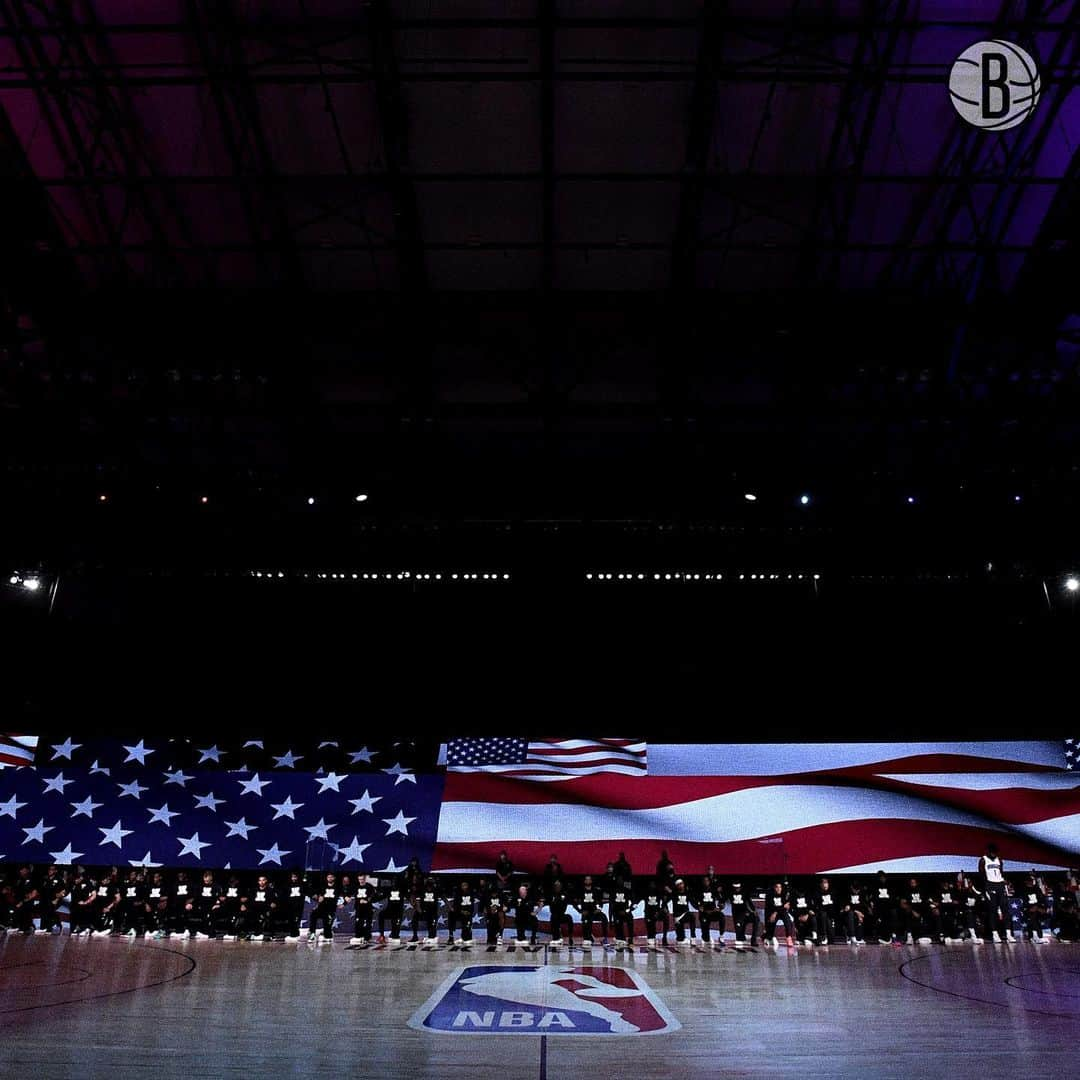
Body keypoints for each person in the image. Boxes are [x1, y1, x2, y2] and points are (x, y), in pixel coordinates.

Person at [979, 843, 1014, 942]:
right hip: (990, 885)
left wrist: (1004, 881)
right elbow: (981, 873)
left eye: (995, 852)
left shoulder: (999, 860)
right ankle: (995, 934)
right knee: (993, 910)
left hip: (1000, 884)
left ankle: (1008, 934)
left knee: (1005, 909)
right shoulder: (983, 859)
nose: (993, 854)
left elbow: (1001, 872)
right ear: (988, 851)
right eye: (992, 852)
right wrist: (987, 886)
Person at [899, 877, 941, 944]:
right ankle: (910, 936)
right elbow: (902, 904)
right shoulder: (907, 892)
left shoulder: (921, 891)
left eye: (914, 882)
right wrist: (912, 911)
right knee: (908, 913)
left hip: (922, 909)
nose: (913, 884)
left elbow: (927, 900)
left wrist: (933, 905)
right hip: (912, 909)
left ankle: (937, 936)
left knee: (936, 912)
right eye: (911, 883)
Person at [578, 874, 608, 947]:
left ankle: (605, 938)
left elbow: (600, 901)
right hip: (586, 912)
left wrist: (599, 909)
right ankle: (587, 938)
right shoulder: (581, 890)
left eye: (589, 879)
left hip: (594, 911)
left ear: (591, 881)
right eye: (586, 879)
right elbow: (576, 902)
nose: (588, 881)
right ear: (584, 881)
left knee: (604, 918)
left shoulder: (596, 890)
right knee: (586, 921)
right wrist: (581, 911)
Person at [870, 871, 899, 944]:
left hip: (889, 906)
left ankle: (893, 935)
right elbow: (874, 898)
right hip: (879, 907)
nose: (882, 879)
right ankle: (886, 937)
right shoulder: (875, 886)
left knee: (892, 915)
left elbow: (893, 898)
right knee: (882, 919)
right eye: (881, 878)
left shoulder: (890, 886)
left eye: (883, 877)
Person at [310, 872, 339, 943]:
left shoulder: (337, 887)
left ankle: (327, 933)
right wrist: (317, 899)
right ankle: (312, 933)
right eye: (328, 877)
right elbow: (318, 897)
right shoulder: (323, 887)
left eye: (331, 877)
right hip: (322, 908)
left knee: (327, 933)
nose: (330, 878)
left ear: (334, 878)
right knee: (313, 914)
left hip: (330, 909)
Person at [1019, 873, 1049, 942]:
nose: (1031, 882)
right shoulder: (1023, 890)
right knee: (1033, 915)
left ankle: (1037, 935)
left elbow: (1042, 900)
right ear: (1026, 881)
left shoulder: (1037, 889)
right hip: (1028, 909)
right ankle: (1035, 935)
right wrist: (1030, 908)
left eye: (1032, 880)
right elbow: (1023, 903)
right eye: (1029, 880)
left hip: (1038, 908)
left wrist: (1040, 907)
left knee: (1036, 914)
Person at [764, 880, 794, 946]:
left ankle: (789, 937)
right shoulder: (770, 895)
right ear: (774, 888)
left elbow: (787, 905)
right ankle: (768, 936)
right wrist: (778, 910)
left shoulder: (784, 894)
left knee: (788, 921)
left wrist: (777, 911)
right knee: (771, 922)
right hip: (773, 913)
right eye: (777, 887)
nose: (778, 889)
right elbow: (770, 907)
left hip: (781, 912)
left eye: (780, 887)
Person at [728, 880, 759, 945]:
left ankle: (753, 939)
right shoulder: (730, 893)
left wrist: (753, 911)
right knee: (739, 927)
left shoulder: (744, 893)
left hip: (746, 913)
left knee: (756, 919)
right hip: (737, 915)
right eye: (735, 888)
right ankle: (741, 937)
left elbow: (749, 902)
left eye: (738, 888)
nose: (737, 889)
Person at [607, 874, 634, 947]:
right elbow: (611, 907)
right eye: (618, 880)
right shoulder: (613, 892)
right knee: (618, 921)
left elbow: (632, 904)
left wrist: (627, 911)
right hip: (617, 913)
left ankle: (631, 938)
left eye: (621, 880)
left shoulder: (627, 891)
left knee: (630, 918)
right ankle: (621, 938)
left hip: (626, 911)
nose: (620, 881)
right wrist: (610, 920)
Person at [697, 875, 724, 946]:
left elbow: (721, 900)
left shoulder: (713, 890)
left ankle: (721, 936)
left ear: (709, 882)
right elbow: (695, 902)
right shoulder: (699, 891)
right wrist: (699, 907)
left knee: (722, 916)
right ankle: (705, 937)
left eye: (707, 881)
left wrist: (720, 907)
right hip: (704, 913)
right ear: (702, 882)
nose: (706, 882)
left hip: (713, 912)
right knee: (706, 939)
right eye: (704, 881)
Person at [413, 876, 440, 945]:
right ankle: (415, 936)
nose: (429, 883)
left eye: (431, 881)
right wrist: (418, 908)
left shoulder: (436, 889)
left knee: (432, 921)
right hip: (423, 910)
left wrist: (450, 907)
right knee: (415, 916)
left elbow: (443, 897)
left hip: (433, 911)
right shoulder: (422, 889)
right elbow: (416, 898)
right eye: (428, 881)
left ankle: (433, 936)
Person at [378, 875, 405, 942]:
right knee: (381, 914)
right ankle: (381, 935)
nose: (394, 883)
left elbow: (410, 896)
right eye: (393, 881)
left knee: (395, 937)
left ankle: (394, 934)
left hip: (398, 911)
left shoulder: (402, 890)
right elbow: (380, 896)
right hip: (389, 910)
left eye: (395, 881)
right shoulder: (389, 889)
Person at [350, 873, 375, 944]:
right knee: (358, 922)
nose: (361, 881)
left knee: (367, 923)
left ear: (365, 879)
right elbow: (352, 894)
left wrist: (366, 900)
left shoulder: (369, 886)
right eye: (359, 879)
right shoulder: (355, 887)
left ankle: (367, 937)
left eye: (362, 879)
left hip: (367, 908)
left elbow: (372, 896)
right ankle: (358, 935)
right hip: (358, 908)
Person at [448, 880, 475, 946]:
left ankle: (465, 937)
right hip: (460, 912)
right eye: (463, 886)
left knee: (467, 919)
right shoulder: (458, 894)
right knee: (451, 914)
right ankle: (451, 937)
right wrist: (461, 911)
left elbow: (472, 906)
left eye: (465, 885)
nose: (464, 887)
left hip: (468, 913)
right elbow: (455, 906)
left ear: (467, 886)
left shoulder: (471, 894)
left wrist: (467, 912)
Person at [643, 879, 669, 947]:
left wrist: (660, 911)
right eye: (651, 884)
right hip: (649, 913)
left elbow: (663, 904)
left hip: (658, 912)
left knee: (666, 917)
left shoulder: (659, 893)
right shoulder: (646, 894)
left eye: (653, 884)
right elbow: (646, 908)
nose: (652, 886)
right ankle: (651, 936)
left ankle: (664, 937)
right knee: (649, 920)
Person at [547, 880, 573, 946]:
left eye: (559, 886)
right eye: (556, 886)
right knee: (553, 918)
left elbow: (564, 905)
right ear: (554, 887)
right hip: (554, 914)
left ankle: (570, 937)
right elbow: (551, 906)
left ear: (561, 887)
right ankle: (555, 937)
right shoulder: (551, 895)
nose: (557, 887)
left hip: (561, 914)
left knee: (569, 917)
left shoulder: (564, 894)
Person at [671, 878, 696, 945]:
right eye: (679, 884)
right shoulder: (674, 894)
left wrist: (699, 907)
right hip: (678, 915)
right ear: (677, 886)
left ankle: (693, 937)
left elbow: (693, 902)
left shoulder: (687, 893)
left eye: (682, 884)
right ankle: (681, 937)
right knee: (680, 940)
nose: (681, 886)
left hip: (685, 914)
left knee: (692, 917)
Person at [283, 871, 306, 942]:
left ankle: (295, 934)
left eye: (295, 877)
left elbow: (305, 893)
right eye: (292, 877)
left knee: (296, 920)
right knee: (291, 920)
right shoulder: (288, 885)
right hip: (290, 906)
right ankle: (292, 934)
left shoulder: (302, 884)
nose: (294, 878)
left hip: (299, 905)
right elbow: (285, 894)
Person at [814, 877, 837, 945]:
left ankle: (829, 937)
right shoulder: (817, 893)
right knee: (823, 915)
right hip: (822, 913)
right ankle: (824, 936)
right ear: (821, 885)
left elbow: (835, 904)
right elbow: (817, 905)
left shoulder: (832, 892)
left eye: (826, 883)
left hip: (831, 913)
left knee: (832, 940)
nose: (825, 885)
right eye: (823, 883)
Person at [483, 879, 506, 947]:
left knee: (500, 923)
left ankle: (499, 938)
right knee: (490, 926)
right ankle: (490, 939)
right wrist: (488, 911)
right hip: (490, 915)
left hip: (499, 914)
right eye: (493, 893)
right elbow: (484, 908)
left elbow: (506, 907)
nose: (494, 894)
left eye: (495, 893)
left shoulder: (502, 896)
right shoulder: (487, 897)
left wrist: (502, 909)